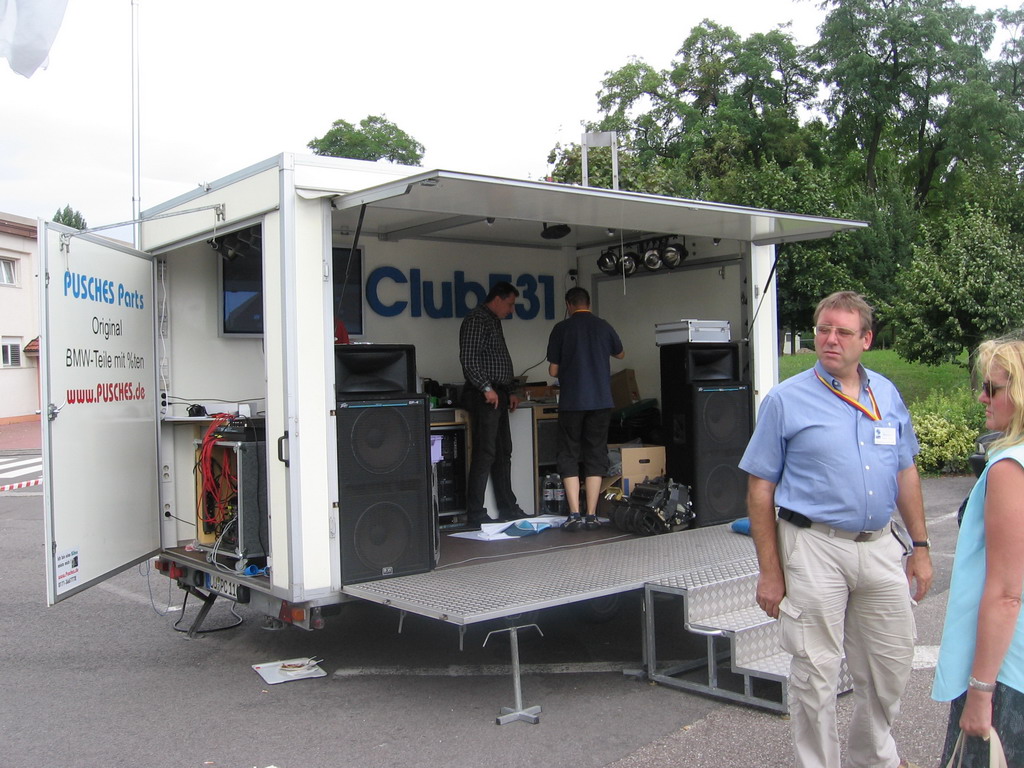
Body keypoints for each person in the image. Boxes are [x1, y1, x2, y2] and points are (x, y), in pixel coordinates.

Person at [738, 290, 933, 768]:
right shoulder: (786, 399)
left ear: (866, 340)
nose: (830, 339)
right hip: (813, 547)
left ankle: (872, 759)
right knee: (815, 673)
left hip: (880, 547)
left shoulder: (885, 394)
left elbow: (905, 470)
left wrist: (922, 546)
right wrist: (770, 572)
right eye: (823, 329)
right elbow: (760, 490)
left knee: (890, 666)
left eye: (843, 332)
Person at [933, 334, 1024, 766]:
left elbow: (1006, 593)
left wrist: (980, 691)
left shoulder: (1009, 468)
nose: (982, 397)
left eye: (992, 388)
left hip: (1007, 669)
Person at [546, 287, 624, 530]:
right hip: (600, 401)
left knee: (568, 453)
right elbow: (620, 353)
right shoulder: (603, 326)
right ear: (588, 303)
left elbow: (553, 370)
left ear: (568, 305)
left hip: (572, 402)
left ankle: (574, 514)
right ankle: (591, 514)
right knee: (596, 453)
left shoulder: (561, 329)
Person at [459, 281, 525, 526]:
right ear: (497, 299)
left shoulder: (493, 320)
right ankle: (476, 513)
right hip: (484, 394)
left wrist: (510, 390)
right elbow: (469, 359)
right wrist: (486, 388)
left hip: (499, 393)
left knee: (503, 452)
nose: (511, 309)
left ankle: (508, 507)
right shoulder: (477, 319)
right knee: (485, 453)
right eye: (510, 304)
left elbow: (497, 360)